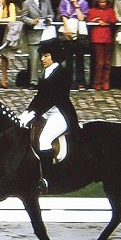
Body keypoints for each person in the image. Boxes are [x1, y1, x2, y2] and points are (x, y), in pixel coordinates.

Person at [18, 40, 79, 192]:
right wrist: (27, 111)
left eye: (46, 56)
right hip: (48, 113)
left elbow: (53, 98)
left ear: (54, 56)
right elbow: (40, 96)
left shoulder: (62, 74)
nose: (42, 59)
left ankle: (47, 179)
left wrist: (35, 113)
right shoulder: (46, 73)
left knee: (44, 140)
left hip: (61, 114)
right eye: (42, 56)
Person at [20, 0, 55, 88]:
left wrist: (49, 19)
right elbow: (23, 17)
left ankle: (45, 80)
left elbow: (51, 13)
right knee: (34, 60)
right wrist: (32, 21)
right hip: (33, 35)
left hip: (45, 34)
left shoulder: (47, 1)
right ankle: (33, 81)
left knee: (46, 59)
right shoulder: (27, 3)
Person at [58, 0, 89, 89]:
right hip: (68, 30)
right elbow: (64, 16)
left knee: (80, 58)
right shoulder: (64, 2)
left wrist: (76, 6)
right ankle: (68, 81)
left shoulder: (83, 3)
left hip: (79, 31)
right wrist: (67, 29)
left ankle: (80, 81)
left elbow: (81, 17)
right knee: (68, 58)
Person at [87, 0, 117, 90]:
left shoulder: (110, 11)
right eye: (101, 2)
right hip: (97, 38)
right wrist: (95, 21)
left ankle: (106, 82)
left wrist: (106, 22)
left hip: (107, 38)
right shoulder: (92, 11)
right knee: (100, 62)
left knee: (107, 62)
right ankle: (97, 83)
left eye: (104, 2)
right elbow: (88, 21)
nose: (103, 4)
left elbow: (113, 21)